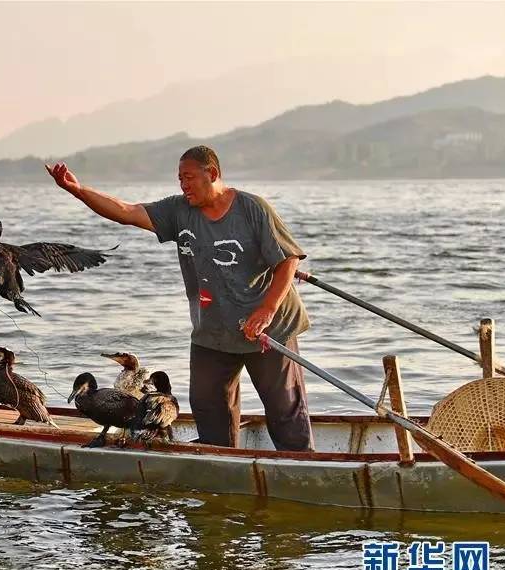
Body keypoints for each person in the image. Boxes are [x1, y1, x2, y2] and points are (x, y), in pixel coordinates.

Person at [45, 146, 313, 451]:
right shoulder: (179, 210)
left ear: (211, 174)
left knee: (284, 409)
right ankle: (221, 462)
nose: (183, 185)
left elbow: (288, 260)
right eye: (179, 179)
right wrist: (77, 190)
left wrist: (266, 309)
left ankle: (302, 464)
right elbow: (126, 212)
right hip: (213, 331)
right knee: (207, 404)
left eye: (189, 178)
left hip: (268, 328)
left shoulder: (253, 208)